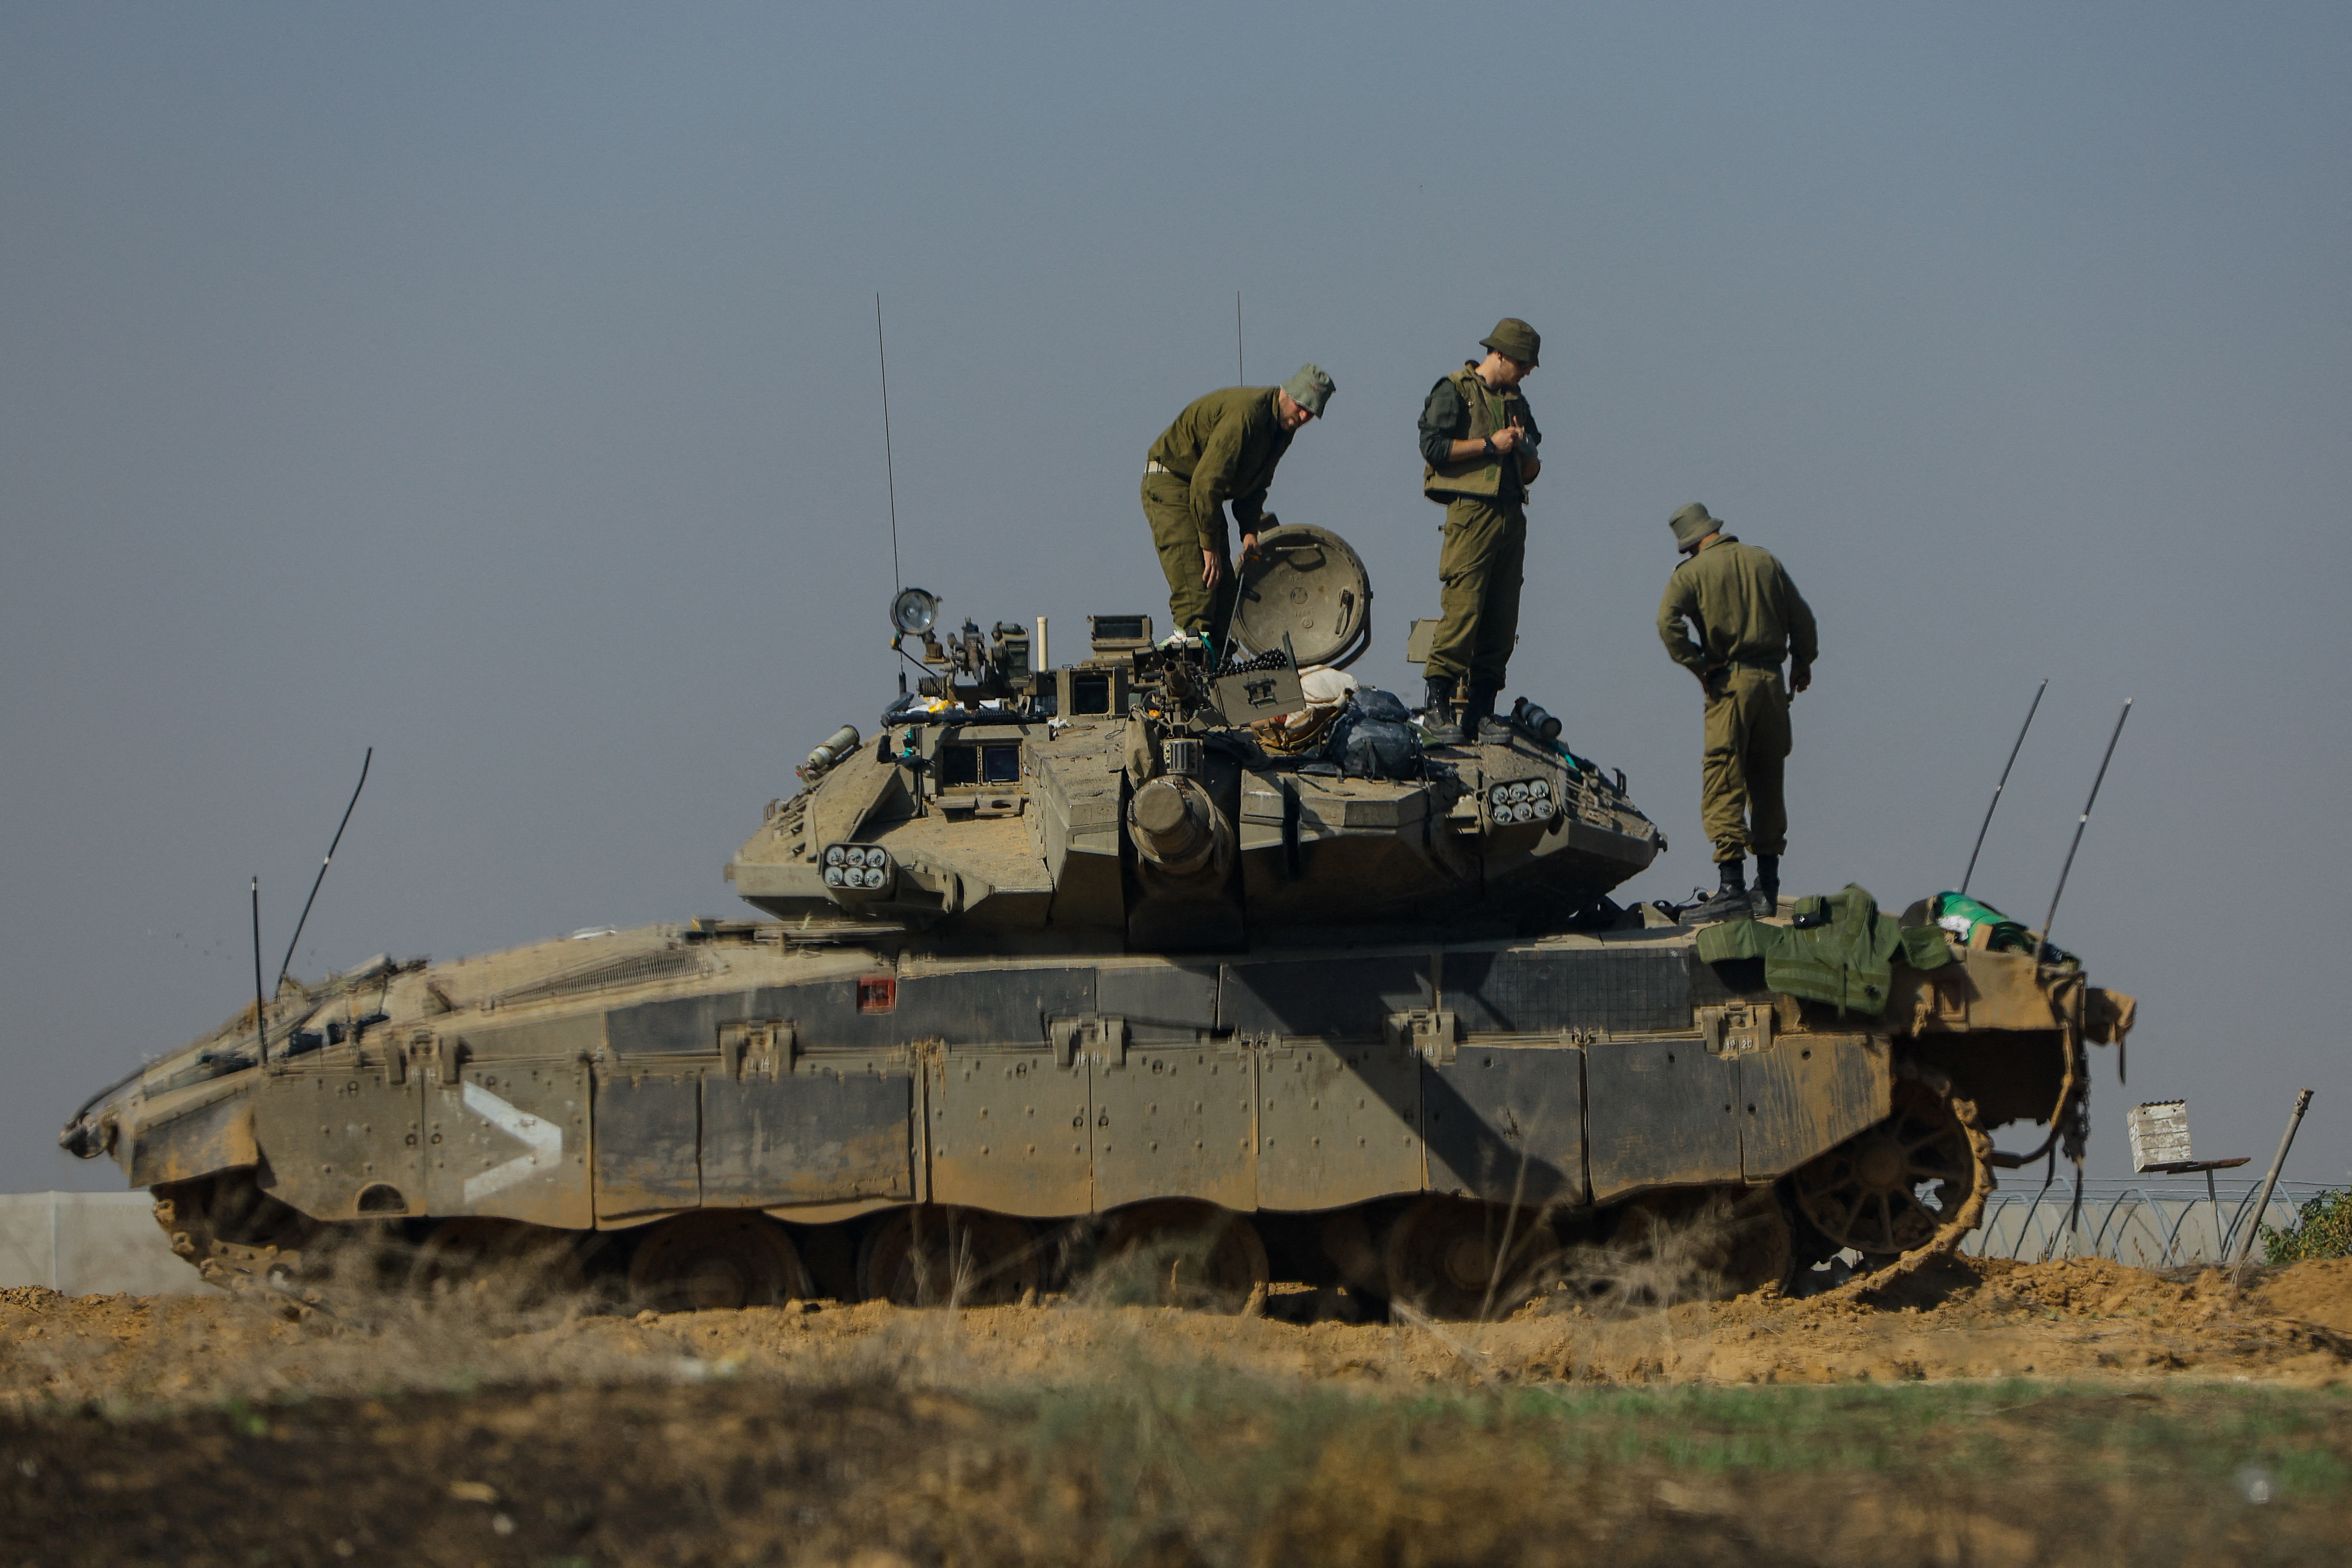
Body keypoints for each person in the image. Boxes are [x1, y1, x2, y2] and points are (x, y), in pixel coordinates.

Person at [1655, 502, 1818, 921]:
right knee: (1767, 782)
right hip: (1770, 685)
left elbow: (1666, 622)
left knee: (1723, 779)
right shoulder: (1766, 561)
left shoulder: (1692, 574)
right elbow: (1803, 619)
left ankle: (1731, 889)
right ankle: (1767, 888)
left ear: (1690, 544)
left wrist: (1696, 664)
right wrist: (1801, 662)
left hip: (1730, 684)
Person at [1416, 319, 1544, 744]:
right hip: (1472, 513)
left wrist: (1525, 451)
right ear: (1501, 355)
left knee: (1502, 617)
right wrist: (1490, 445)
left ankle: (1482, 710)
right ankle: (1437, 704)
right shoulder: (1455, 389)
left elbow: (1533, 467)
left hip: (1511, 513)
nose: (1527, 372)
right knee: (1464, 608)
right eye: (1523, 364)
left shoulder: (1516, 402)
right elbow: (1433, 448)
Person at [1142, 365, 1334, 645]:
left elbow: (1256, 485)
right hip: (1174, 482)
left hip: (1204, 494)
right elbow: (1206, 482)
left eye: (1312, 413)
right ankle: (1186, 654)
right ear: (1287, 392)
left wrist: (1249, 532)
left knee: (1225, 596)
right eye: (1301, 405)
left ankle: (1215, 667)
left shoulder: (1281, 428)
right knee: (1200, 585)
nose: (1303, 416)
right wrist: (1209, 547)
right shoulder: (1245, 416)